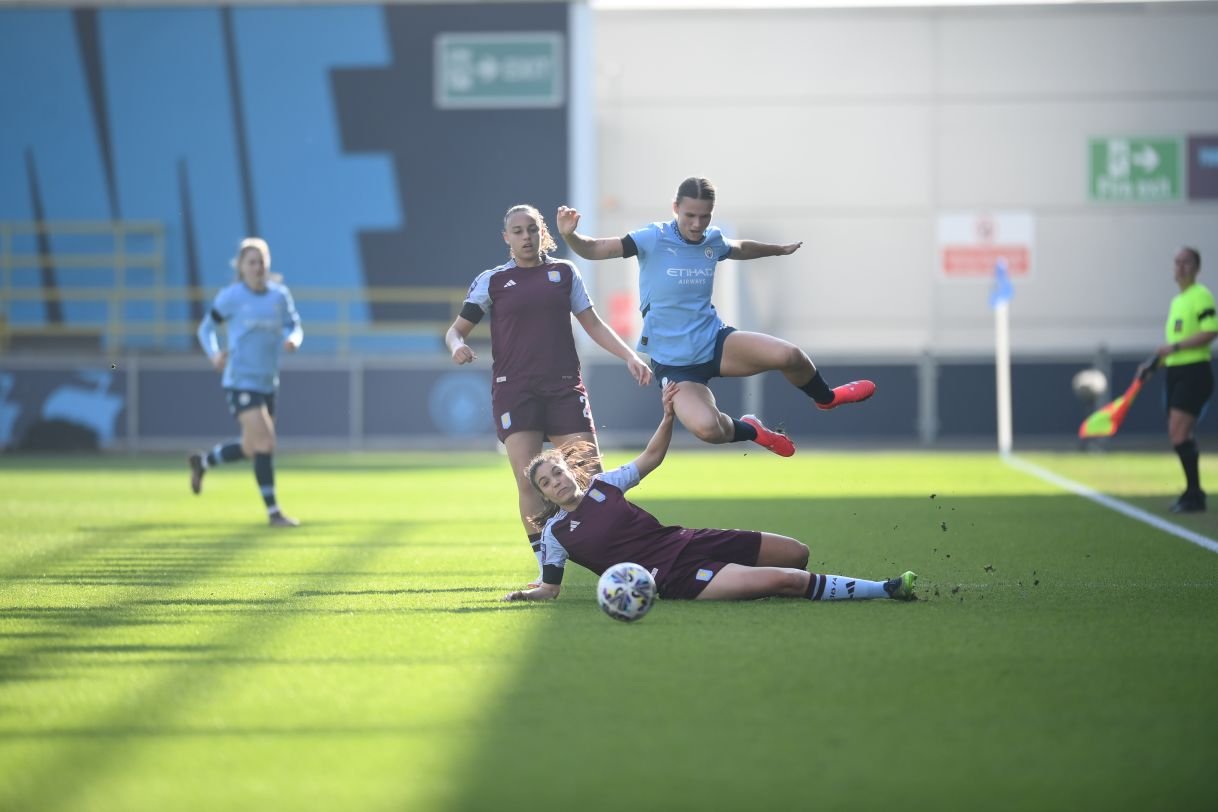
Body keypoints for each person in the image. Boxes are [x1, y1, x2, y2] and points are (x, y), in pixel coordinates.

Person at [504, 382, 917, 603]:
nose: (556, 481)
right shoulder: (557, 534)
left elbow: (651, 457)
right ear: (543, 495)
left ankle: (751, 585)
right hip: (673, 576)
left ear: (570, 471)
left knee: (797, 552)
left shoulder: (603, 486)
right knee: (787, 580)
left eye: (558, 472)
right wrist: (523, 594)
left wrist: (667, 416)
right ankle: (884, 590)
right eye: (546, 482)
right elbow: (550, 587)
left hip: (689, 540)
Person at [556, 177, 875, 459]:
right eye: (689, 216)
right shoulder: (651, 238)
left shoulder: (712, 240)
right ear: (675, 208)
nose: (697, 224)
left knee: (789, 355)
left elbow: (740, 248)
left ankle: (827, 398)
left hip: (715, 342)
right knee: (708, 428)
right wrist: (572, 236)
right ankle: (754, 430)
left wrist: (776, 250)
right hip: (676, 363)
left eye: (704, 216)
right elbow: (596, 249)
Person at [445, 204, 652, 586]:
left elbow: (592, 323)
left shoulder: (564, 273)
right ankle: (547, 570)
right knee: (529, 483)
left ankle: (621, 557)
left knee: (592, 479)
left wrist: (629, 355)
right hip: (515, 391)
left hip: (563, 387)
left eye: (531, 229)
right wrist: (457, 345)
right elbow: (456, 330)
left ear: (543, 233)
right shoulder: (492, 280)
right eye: (517, 231)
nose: (525, 237)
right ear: (506, 238)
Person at [190, 237, 302, 527]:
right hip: (240, 380)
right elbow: (206, 329)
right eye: (251, 262)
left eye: (261, 261)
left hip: (268, 381)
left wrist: (293, 339)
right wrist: (214, 355)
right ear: (241, 266)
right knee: (266, 441)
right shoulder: (231, 297)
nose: (257, 267)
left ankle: (204, 462)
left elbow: (294, 325)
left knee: (252, 447)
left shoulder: (279, 296)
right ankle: (274, 512)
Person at [1137, 246, 1217, 513]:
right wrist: (1152, 365)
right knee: (1178, 434)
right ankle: (1193, 492)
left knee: (1179, 432)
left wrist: (1174, 349)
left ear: (1196, 268)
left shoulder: (1201, 296)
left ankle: (1194, 494)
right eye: (1177, 262)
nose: (1181, 267)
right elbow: (1173, 346)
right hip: (1176, 371)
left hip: (1195, 371)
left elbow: (1211, 331)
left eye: (1186, 262)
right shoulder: (1177, 301)